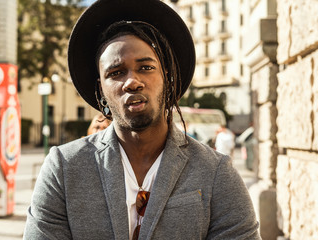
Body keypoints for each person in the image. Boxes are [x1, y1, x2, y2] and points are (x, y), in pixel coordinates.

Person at [24, 0, 261, 239]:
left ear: (166, 77)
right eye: (116, 73)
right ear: (101, 89)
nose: (132, 81)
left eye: (146, 67)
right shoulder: (63, 168)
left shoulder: (216, 172)